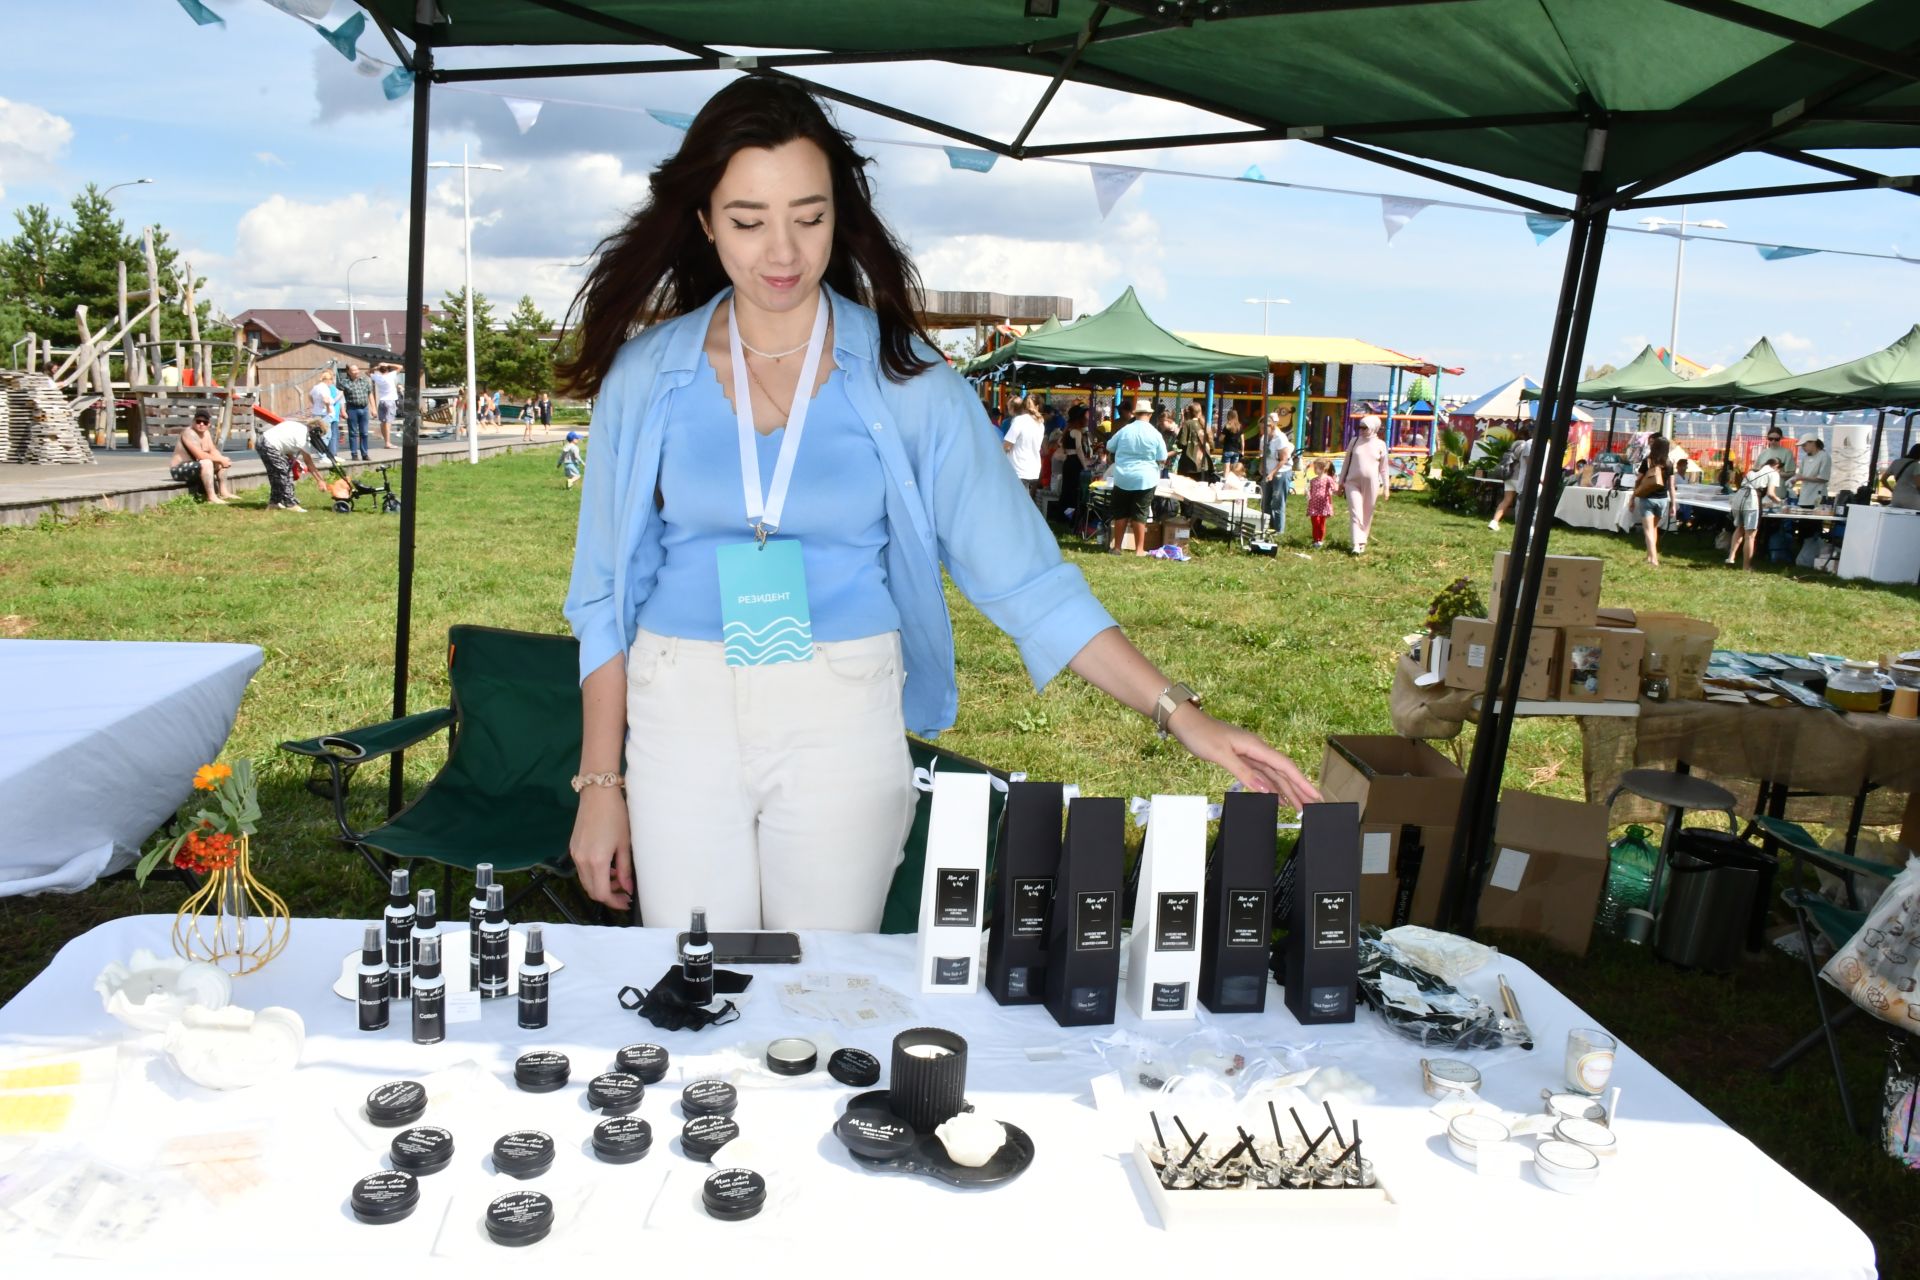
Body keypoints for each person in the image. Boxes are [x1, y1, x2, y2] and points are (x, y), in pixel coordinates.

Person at [556, 79, 1319, 929]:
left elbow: (1025, 578)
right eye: (747, 220)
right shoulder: (646, 377)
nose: (782, 251)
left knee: (821, 988)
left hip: (840, 709)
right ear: (703, 220)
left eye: (809, 217)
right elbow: (604, 597)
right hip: (679, 703)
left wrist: (1184, 717)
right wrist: (599, 784)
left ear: (838, 213)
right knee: (701, 981)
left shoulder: (906, 378)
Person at [1107, 400, 1167, 556]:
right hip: (1146, 478)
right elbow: (1162, 457)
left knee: (1121, 512)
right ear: (1150, 414)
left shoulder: (1125, 430)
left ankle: (1117, 547)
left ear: (1135, 413)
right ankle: (1139, 549)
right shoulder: (1155, 433)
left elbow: (1109, 446)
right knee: (1140, 513)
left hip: (1123, 476)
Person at [1726, 454, 1784, 569]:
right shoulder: (1773, 473)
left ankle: (1731, 557)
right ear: (1776, 466)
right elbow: (1770, 493)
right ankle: (1746, 566)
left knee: (1739, 528)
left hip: (1738, 498)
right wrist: (1780, 502)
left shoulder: (1752, 471)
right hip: (1752, 500)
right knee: (1750, 535)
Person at [255, 416, 325, 512]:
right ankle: (290, 504)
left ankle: (274, 503)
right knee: (285, 474)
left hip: (261, 441)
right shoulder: (304, 438)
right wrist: (320, 480)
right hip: (270, 445)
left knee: (275, 476)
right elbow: (309, 463)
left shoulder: (298, 426)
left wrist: (295, 461)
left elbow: (286, 444)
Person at [1342, 413, 1389, 554]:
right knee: (1356, 512)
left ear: (1374, 428)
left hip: (1372, 483)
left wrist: (1387, 487)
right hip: (1352, 482)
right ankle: (1356, 543)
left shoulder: (1381, 444)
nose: (1361, 430)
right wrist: (1340, 481)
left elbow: (1384, 468)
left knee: (1367, 512)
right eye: (1360, 427)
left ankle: (1363, 541)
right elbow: (1346, 463)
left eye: (1365, 428)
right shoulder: (1354, 441)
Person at [168, 408, 236, 503]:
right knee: (207, 462)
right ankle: (211, 497)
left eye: (204, 422)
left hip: (194, 467)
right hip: (179, 470)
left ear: (208, 424)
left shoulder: (206, 434)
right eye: (198, 421)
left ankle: (223, 492)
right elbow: (200, 455)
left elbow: (213, 450)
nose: (201, 424)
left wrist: (222, 459)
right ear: (193, 421)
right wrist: (220, 460)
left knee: (221, 460)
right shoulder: (189, 433)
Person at [1634, 434, 1677, 566]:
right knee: (1654, 528)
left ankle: (1654, 559)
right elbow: (1671, 486)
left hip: (1647, 498)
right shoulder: (1669, 464)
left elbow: (1638, 479)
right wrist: (1673, 505)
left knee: (1648, 530)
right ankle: (1649, 557)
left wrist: (1635, 492)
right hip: (1663, 500)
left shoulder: (1647, 461)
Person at [1488, 430, 1533, 532]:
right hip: (1519, 477)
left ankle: (1494, 522)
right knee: (1522, 500)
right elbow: (1526, 461)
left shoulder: (1513, 445)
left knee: (1506, 500)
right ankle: (1522, 525)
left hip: (1508, 476)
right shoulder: (1526, 446)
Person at [1259, 411, 1293, 538]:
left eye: (1263, 428)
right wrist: (1261, 466)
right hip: (1268, 472)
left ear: (1271, 426)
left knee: (1277, 501)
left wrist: (1273, 473)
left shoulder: (1280, 438)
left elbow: (1283, 459)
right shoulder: (1263, 439)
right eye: (1260, 428)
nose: (1261, 431)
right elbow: (1263, 454)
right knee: (1265, 500)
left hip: (1281, 472)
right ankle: (1267, 526)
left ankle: (1279, 530)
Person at [1001, 393, 1044, 492]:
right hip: (1032, 468)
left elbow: (1007, 446)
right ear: (1037, 406)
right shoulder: (1040, 423)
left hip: (1017, 468)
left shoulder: (1019, 421)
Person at [338, 362, 374, 461]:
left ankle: (364, 453)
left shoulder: (365, 381)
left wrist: (373, 408)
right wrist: (343, 411)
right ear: (348, 372)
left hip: (364, 409)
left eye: (357, 369)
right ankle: (354, 454)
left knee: (364, 433)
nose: (356, 372)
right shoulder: (344, 382)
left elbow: (370, 394)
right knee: (353, 433)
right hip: (352, 409)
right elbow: (341, 398)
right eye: (353, 370)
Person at [308, 373, 344, 456]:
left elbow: (309, 395)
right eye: (332, 380)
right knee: (326, 435)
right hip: (324, 414)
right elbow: (326, 400)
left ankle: (321, 454)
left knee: (320, 434)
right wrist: (328, 409)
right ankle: (322, 456)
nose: (332, 383)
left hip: (317, 412)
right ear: (329, 380)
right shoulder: (324, 388)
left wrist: (315, 404)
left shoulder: (316, 387)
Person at [1306, 457, 1337, 549]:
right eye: (1314, 468)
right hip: (1314, 505)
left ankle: (1320, 540)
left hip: (1323, 504)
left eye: (1316, 468)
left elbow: (1334, 488)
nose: (1315, 470)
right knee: (1315, 522)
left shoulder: (1328, 479)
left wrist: (1334, 491)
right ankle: (1316, 540)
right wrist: (1308, 494)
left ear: (1323, 468)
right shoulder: (1313, 480)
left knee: (1321, 523)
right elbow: (1310, 491)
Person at [1175, 404, 1209, 480]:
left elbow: (1182, 443)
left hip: (1189, 464)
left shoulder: (1187, 424)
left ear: (1189, 412)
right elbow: (1211, 445)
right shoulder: (1205, 424)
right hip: (1203, 464)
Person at [1794, 436, 1830, 508]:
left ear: (1813, 443)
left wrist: (1803, 478)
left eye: (1804, 445)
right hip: (1804, 497)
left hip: (1817, 498)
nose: (1803, 448)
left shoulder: (1824, 456)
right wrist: (1792, 479)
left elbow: (1823, 478)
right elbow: (1800, 474)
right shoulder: (1805, 457)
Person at [371, 362, 399, 449]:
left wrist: (376, 368)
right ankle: (388, 442)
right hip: (390, 401)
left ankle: (386, 441)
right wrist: (388, 364)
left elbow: (367, 372)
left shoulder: (377, 377)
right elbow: (400, 367)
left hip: (382, 401)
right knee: (388, 422)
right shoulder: (390, 375)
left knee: (383, 422)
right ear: (387, 369)